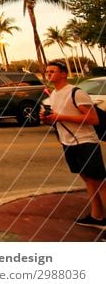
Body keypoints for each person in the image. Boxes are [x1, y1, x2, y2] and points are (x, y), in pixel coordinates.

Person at [41, 60, 106, 228]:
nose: (49, 74)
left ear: (63, 73)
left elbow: (93, 119)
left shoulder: (76, 93)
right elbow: (58, 119)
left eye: (53, 71)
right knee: (88, 179)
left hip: (86, 142)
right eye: (47, 72)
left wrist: (60, 117)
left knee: (99, 181)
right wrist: (48, 119)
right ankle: (97, 216)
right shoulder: (54, 94)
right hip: (68, 142)